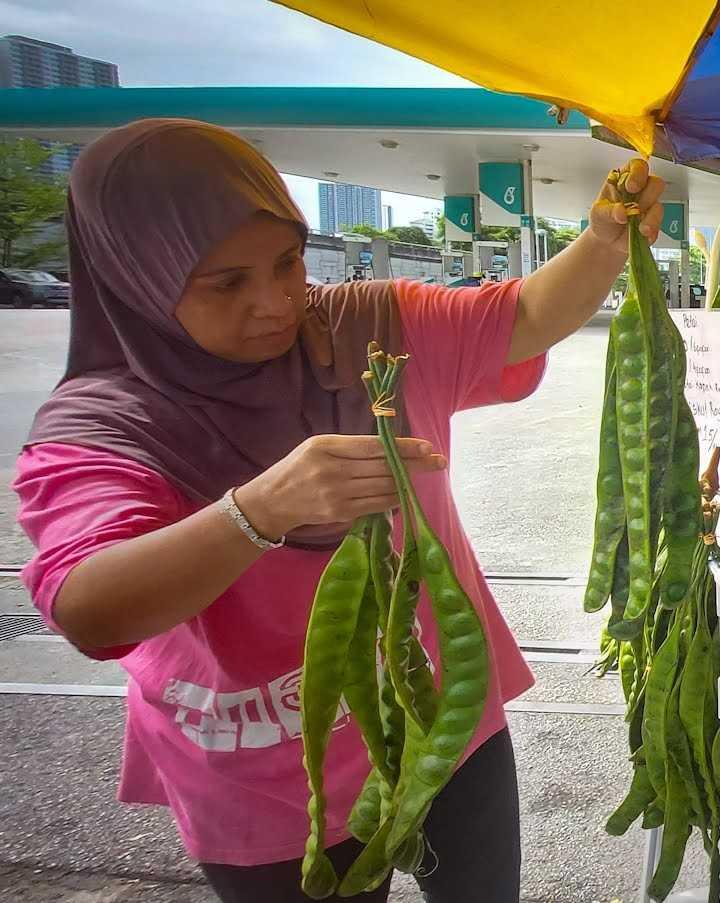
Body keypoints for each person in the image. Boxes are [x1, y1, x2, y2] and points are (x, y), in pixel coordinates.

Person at [12, 119, 665, 903]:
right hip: (267, 777)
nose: (275, 301)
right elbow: (89, 606)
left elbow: (521, 316)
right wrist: (262, 507)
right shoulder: (102, 425)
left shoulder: (364, 327)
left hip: (448, 721)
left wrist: (601, 242)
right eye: (226, 282)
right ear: (136, 278)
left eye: (287, 261)